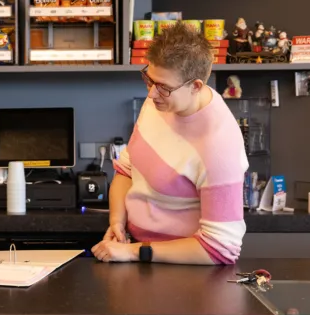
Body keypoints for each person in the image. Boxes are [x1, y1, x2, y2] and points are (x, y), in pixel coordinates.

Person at [91, 22, 248, 265]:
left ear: (196, 86)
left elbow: (221, 249)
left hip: (187, 274)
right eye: (148, 79)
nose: (152, 93)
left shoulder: (219, 146)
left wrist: (135, 252)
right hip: (140, 256)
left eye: (163, 87)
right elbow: (127, 169)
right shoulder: (160, 100)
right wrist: (117, 222)